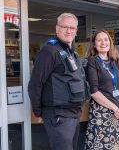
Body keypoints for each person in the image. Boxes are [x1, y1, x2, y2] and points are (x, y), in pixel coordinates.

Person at [28, 13, 89, 150]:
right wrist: (38, 112)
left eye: (72, 28)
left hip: (73, 114)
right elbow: (35, 84)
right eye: (64, 27)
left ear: (76, 31)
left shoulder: (71, 53)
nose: (68, 31)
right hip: (58, 116)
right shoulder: (49, 52)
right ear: (57, 29)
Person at [84, 30, 119, 150]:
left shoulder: (115, 61)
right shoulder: (92, 62)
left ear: (110, 42)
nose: (103, 43)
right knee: (101, 146)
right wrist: (115, 108)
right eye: (99, 40)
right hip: (101, 113)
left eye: (106, 39)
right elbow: (94, 92)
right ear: (94, 44)